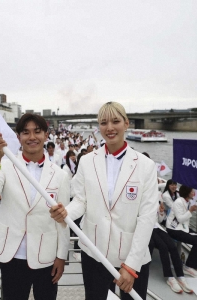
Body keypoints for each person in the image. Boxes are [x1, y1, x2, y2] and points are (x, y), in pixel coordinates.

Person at [50, 101, 158, 300]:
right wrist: (66, 213)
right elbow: (81, 201)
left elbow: (147, 217)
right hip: (94, 252)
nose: (109, 128)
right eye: (103, 122)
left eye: (115, 121)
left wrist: (131, 266)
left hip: (132, 256)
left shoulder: (146, 166)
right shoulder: (87, 161)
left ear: (126, 124)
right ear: (98, 127)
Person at [0, 113, 70, 300]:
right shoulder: (4, 165)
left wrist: (61, 256)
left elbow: (64, 221)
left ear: (46, 135)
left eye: (37, 132)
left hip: (45, 255)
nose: (32, 137)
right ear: (18, 137)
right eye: (25, 132)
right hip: (11, 254)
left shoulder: (60, 175)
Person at [149, 202, 193, 294]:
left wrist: (161, 213)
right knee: (163, 247)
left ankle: (180, 276)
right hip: (147, 228)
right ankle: (170, 277)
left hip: (157, 227)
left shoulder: (156, 200)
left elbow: (160, 220)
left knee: (172, 246)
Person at [166, 185, 197, 278]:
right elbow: (180, 219)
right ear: (187, 193)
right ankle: (189, 266)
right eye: (192, 191)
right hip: (174, 229)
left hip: (183, 228)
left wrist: (190, 209)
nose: (194, 193)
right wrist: (190, 211)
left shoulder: (187, 201)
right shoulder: (178, 202)